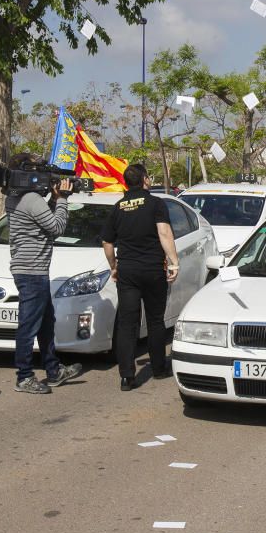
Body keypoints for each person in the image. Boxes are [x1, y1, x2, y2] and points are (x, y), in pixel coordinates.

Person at [6, 153, 83, 394]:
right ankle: (24, 376)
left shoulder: (15, 197)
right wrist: (62, 200)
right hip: (32, 271)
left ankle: (53, 370)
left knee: (45, 323)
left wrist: (53, 197)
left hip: (29, 269)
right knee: (29, 326)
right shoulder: (30, 198)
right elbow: (56, 227)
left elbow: (41, 222)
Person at [101, 164, 181, 391]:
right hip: (153, 270)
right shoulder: (156, 204)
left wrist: (113, 266)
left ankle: (127, 376)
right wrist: (174, 262)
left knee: (128, 324)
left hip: (127, 271)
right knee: (156, 320)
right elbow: (164, 233)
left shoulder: (118, 207)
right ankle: (158, 368)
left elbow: (107, 242)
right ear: (145, 179)